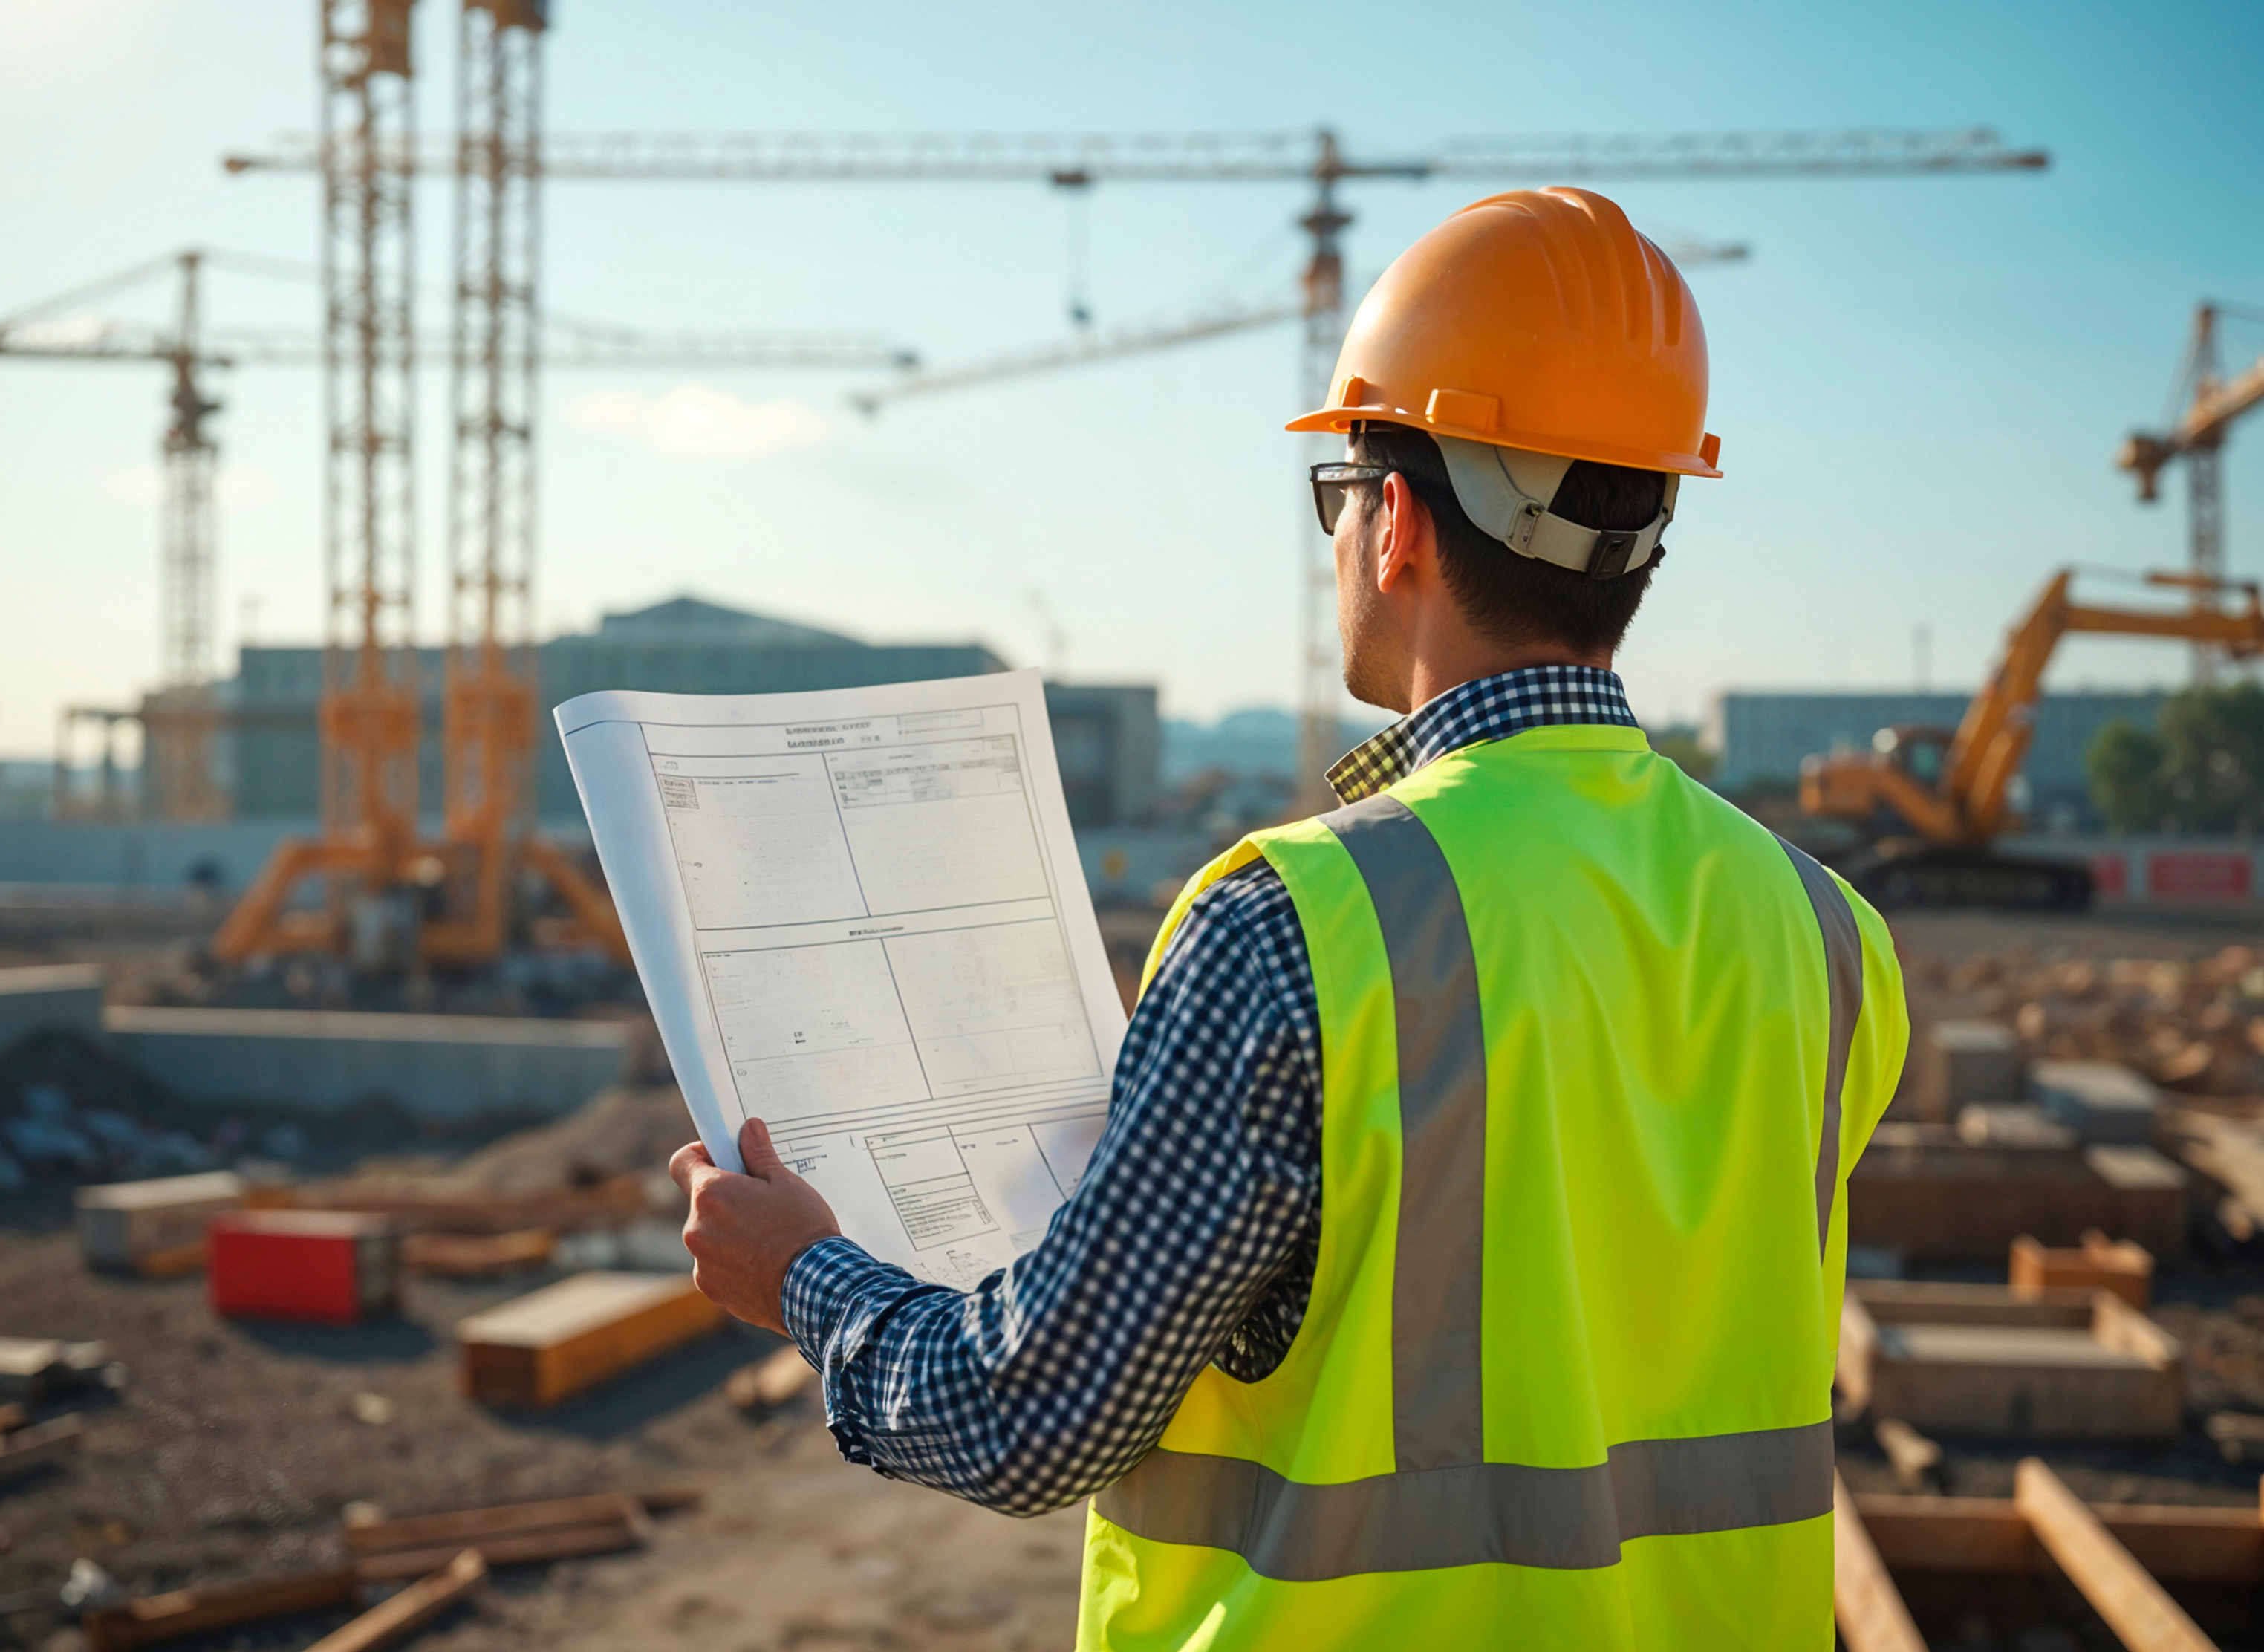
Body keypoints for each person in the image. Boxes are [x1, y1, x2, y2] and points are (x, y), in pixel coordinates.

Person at [671, 186, 1907, 1651]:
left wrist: (801, 1273)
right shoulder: (1825, 931)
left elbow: (1027, 1421)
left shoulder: (1302, 926)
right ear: (1643, 529)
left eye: (1339, 492)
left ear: (1391, 522)